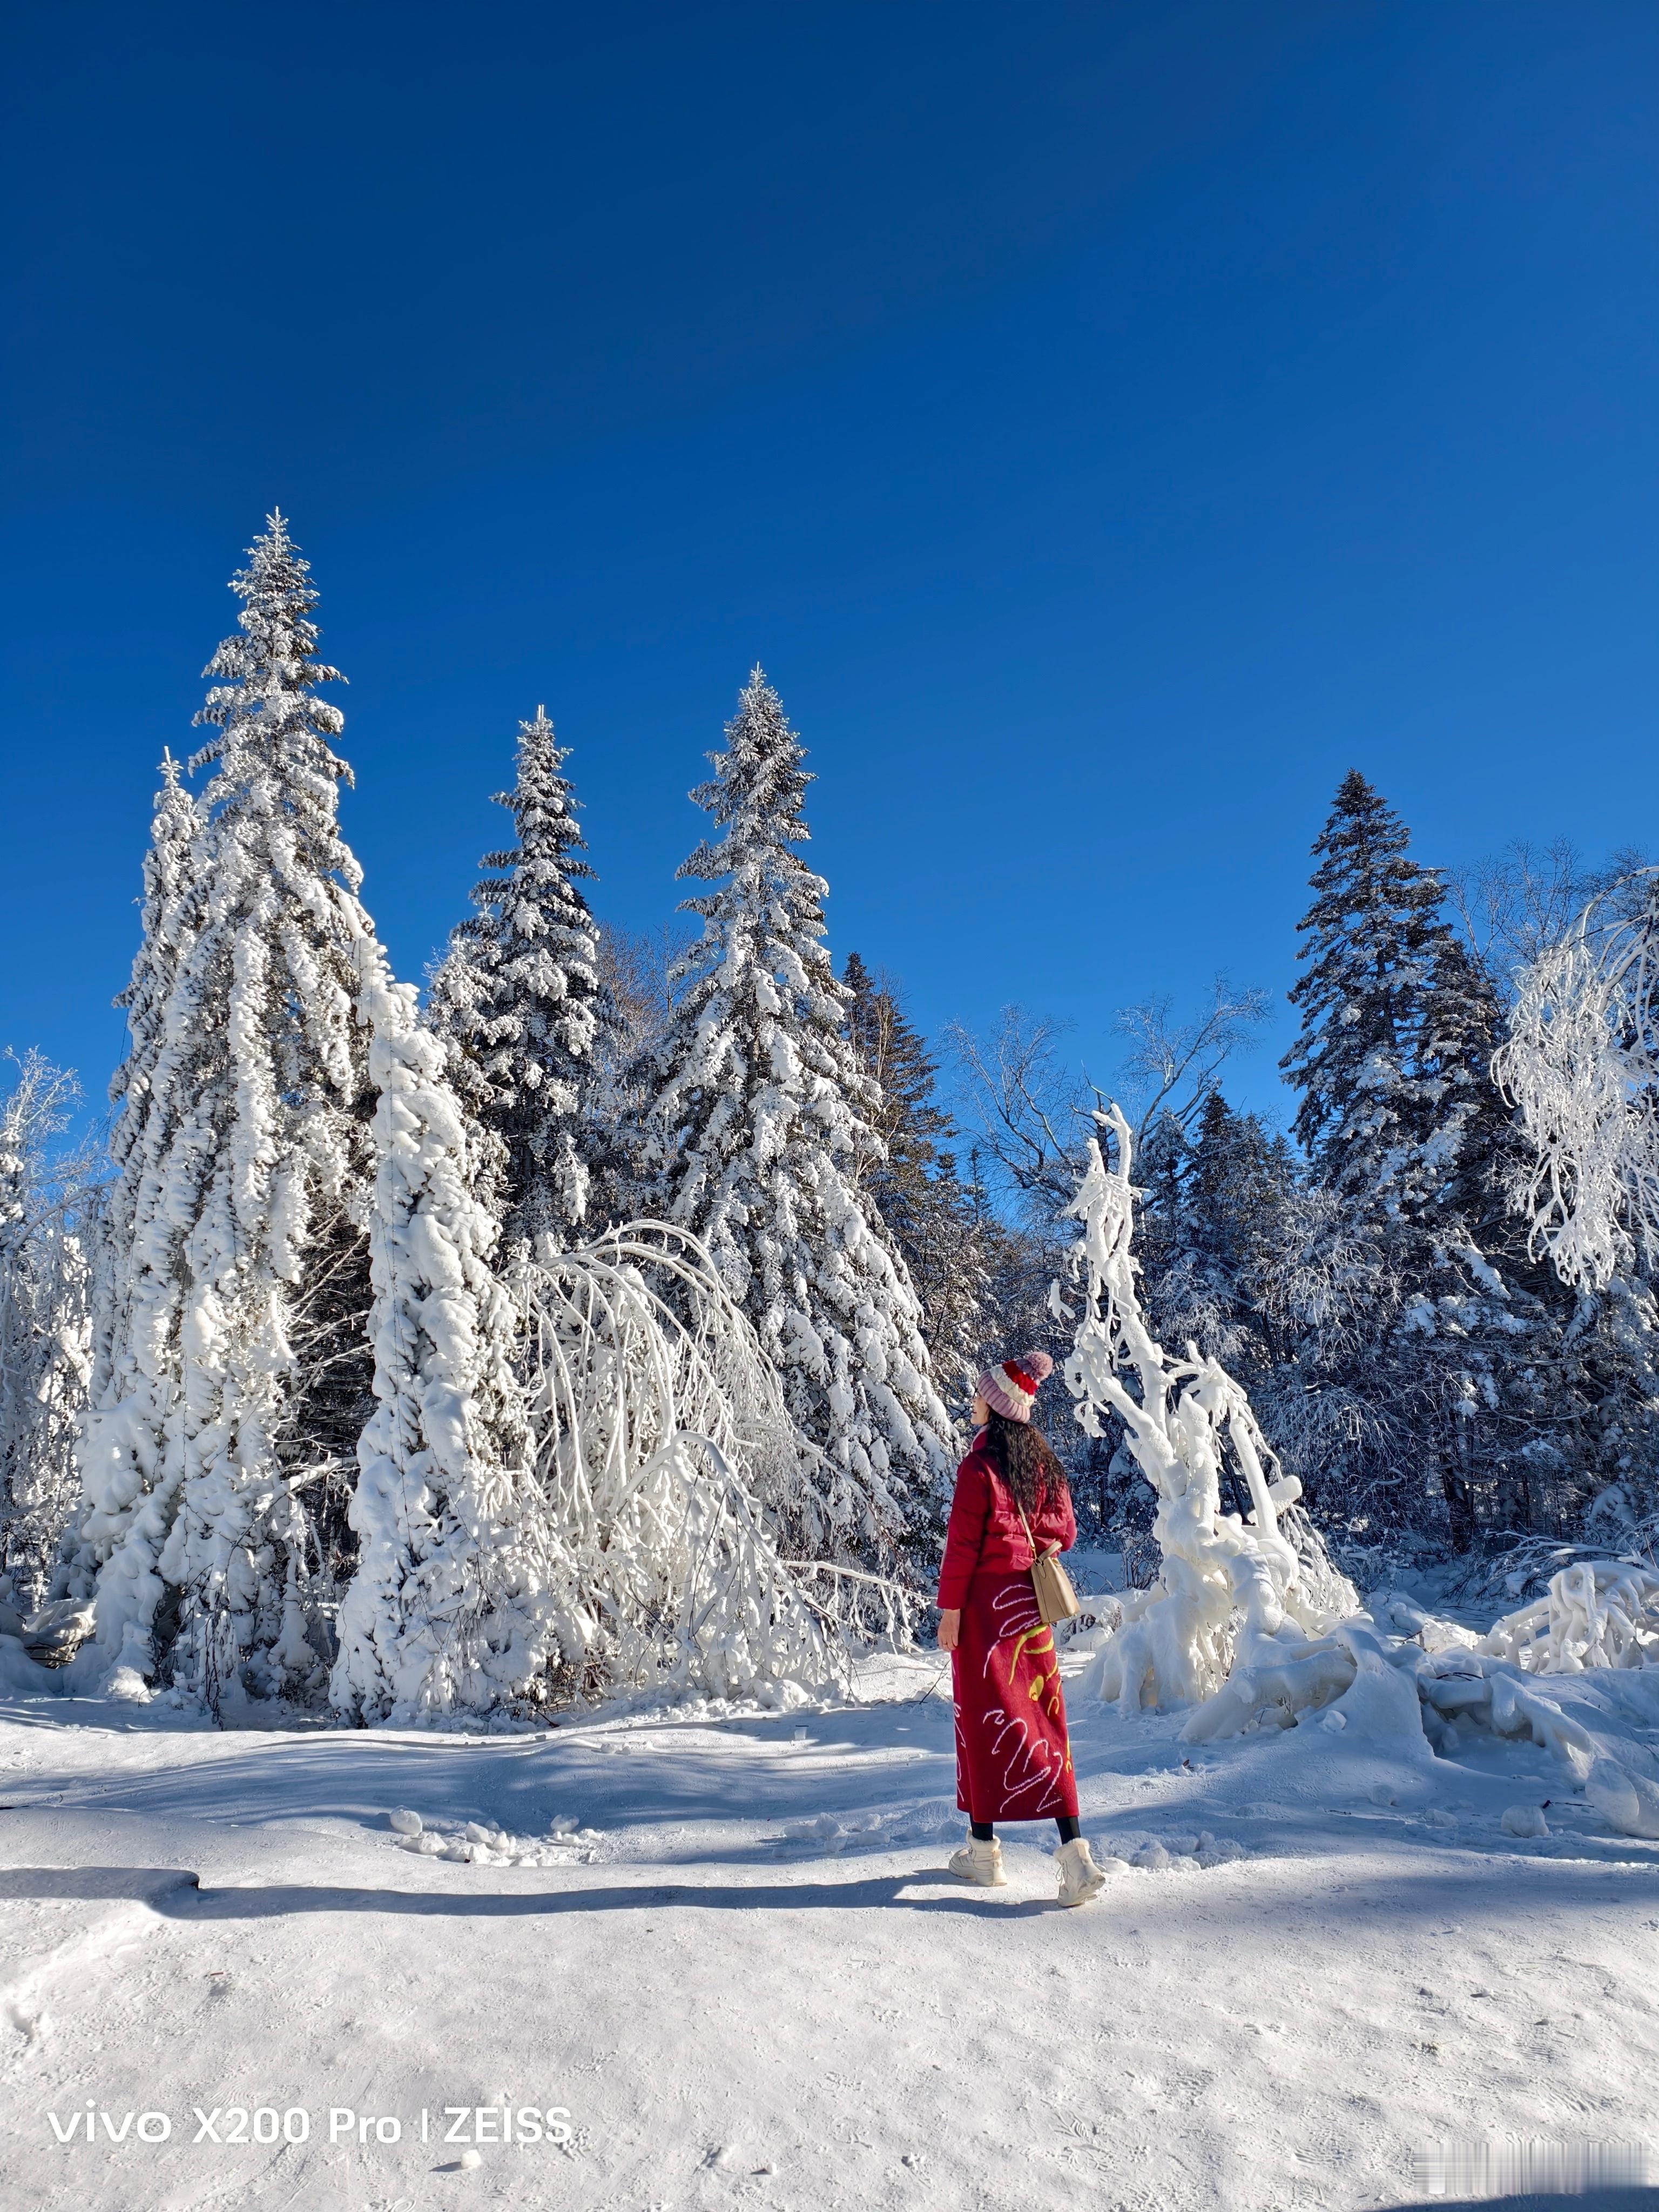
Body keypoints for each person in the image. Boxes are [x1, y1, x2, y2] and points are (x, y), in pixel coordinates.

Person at [936, 1352, 1107, 1907]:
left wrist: (950, 1610)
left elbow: (962, 1546)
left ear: (996, 1404)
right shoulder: (1043, 1464)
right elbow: (1066, 1530)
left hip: (986, 1612)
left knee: (986, 1725)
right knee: (1043, 1723)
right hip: (1029, 1611)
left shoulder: (979, 1466)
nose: (973, 1400)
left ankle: (986, 1854)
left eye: (979, 1393)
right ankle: (1072, 1855)